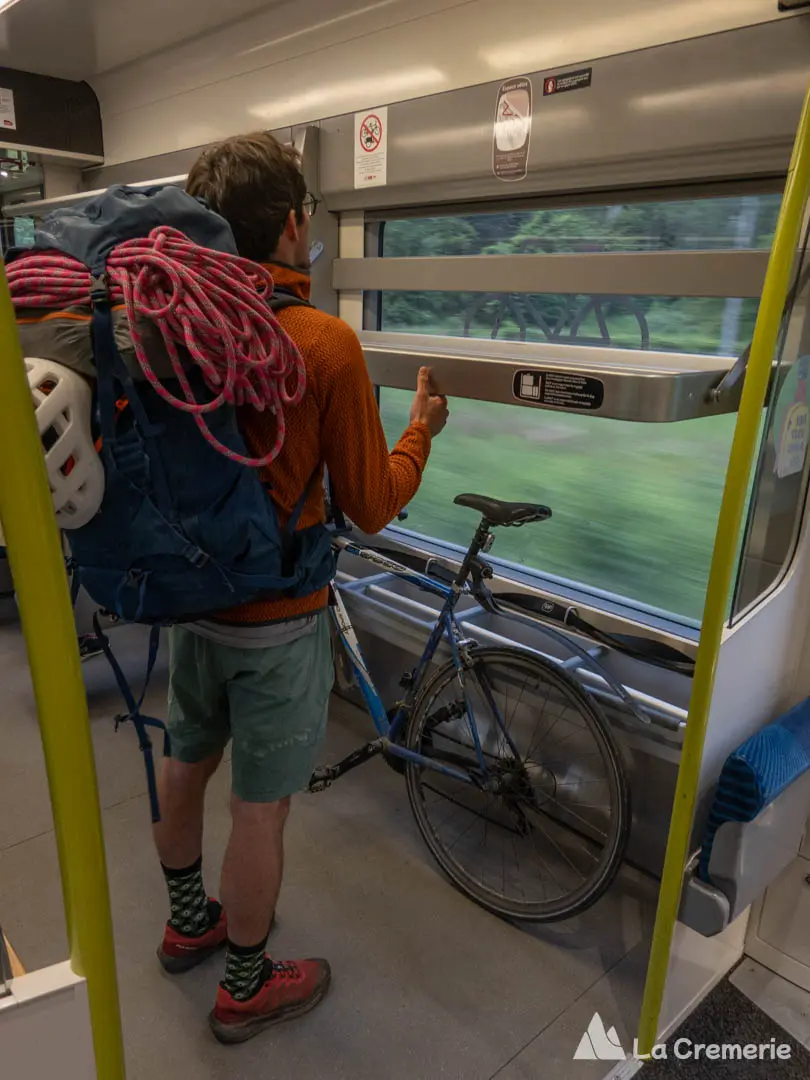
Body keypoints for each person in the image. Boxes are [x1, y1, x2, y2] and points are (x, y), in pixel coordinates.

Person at [151, 132, 449, 1045]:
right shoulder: (322, 342)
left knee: (188, 758)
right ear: (292, 225)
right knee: (260, 805)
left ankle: (186, 918)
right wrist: (421, 433)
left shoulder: (171, 327)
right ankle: (246, 981)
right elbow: (370, 506)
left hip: (193, 600)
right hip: (279, 620)